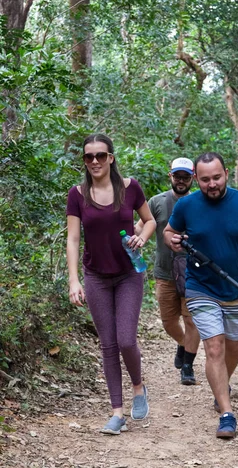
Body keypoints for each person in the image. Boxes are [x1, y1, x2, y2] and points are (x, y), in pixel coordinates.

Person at [163, 152, 238, 440]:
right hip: (200, 287)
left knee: (233, 350)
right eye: (205, 180)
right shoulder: (187, 205)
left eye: (216, 178)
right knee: (214, 348)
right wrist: (174, 242)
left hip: (235, 288)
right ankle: (227, 414)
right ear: (196, 179)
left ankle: (222, 387)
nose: (212, 184)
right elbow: (169, 232)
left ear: (226, 174)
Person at [66, 133, 156, 435]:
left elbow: (150, 220)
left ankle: (138, 387)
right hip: (95, 277)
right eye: (88, 157)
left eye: (100, 156)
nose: (94, 161)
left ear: (111, 158)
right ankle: (117, 412)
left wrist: (141, 237)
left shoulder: (129, 188)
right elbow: (74, 238)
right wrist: (74, 280)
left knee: (126, 339)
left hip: (129, 273)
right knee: (107, 345)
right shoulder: (77, 194)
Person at [135, 158, 200, 385]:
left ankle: (188, 366)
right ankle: (183, 344)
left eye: (186, 177)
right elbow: (141, 226)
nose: (181, 181)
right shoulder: (156, 202)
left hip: (195, 273)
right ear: (170, 176)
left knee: (191, 320)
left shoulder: (201, 202)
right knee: (169, 321)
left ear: (193, 178)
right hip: (165, 272)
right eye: (177, 176)